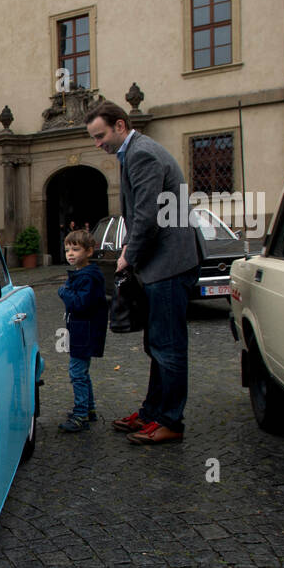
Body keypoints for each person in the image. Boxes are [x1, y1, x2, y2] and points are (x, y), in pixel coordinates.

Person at [85, 101, 199, 444]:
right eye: (93, 137)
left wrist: (128, 257)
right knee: (158, 344)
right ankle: (152, 412)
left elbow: (147, 216)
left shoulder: (141, 154)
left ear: (120, 125)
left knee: (168, 346)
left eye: (100, 135)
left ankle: (171, 422)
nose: (97, 144)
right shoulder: (134, 152)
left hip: (167, 265)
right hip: (162, 263)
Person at [56, 229, 108, 432]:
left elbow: (80, 303)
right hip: (80, 330)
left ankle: (80, 415)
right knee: (82, 372)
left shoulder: (88, 277)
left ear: (88, 251)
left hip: (84, 332)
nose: (70, 253)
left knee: (77, 372)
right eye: (67, 249)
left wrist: (63, 291)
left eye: (75, 249)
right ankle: (89, 409)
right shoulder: (82, 274)